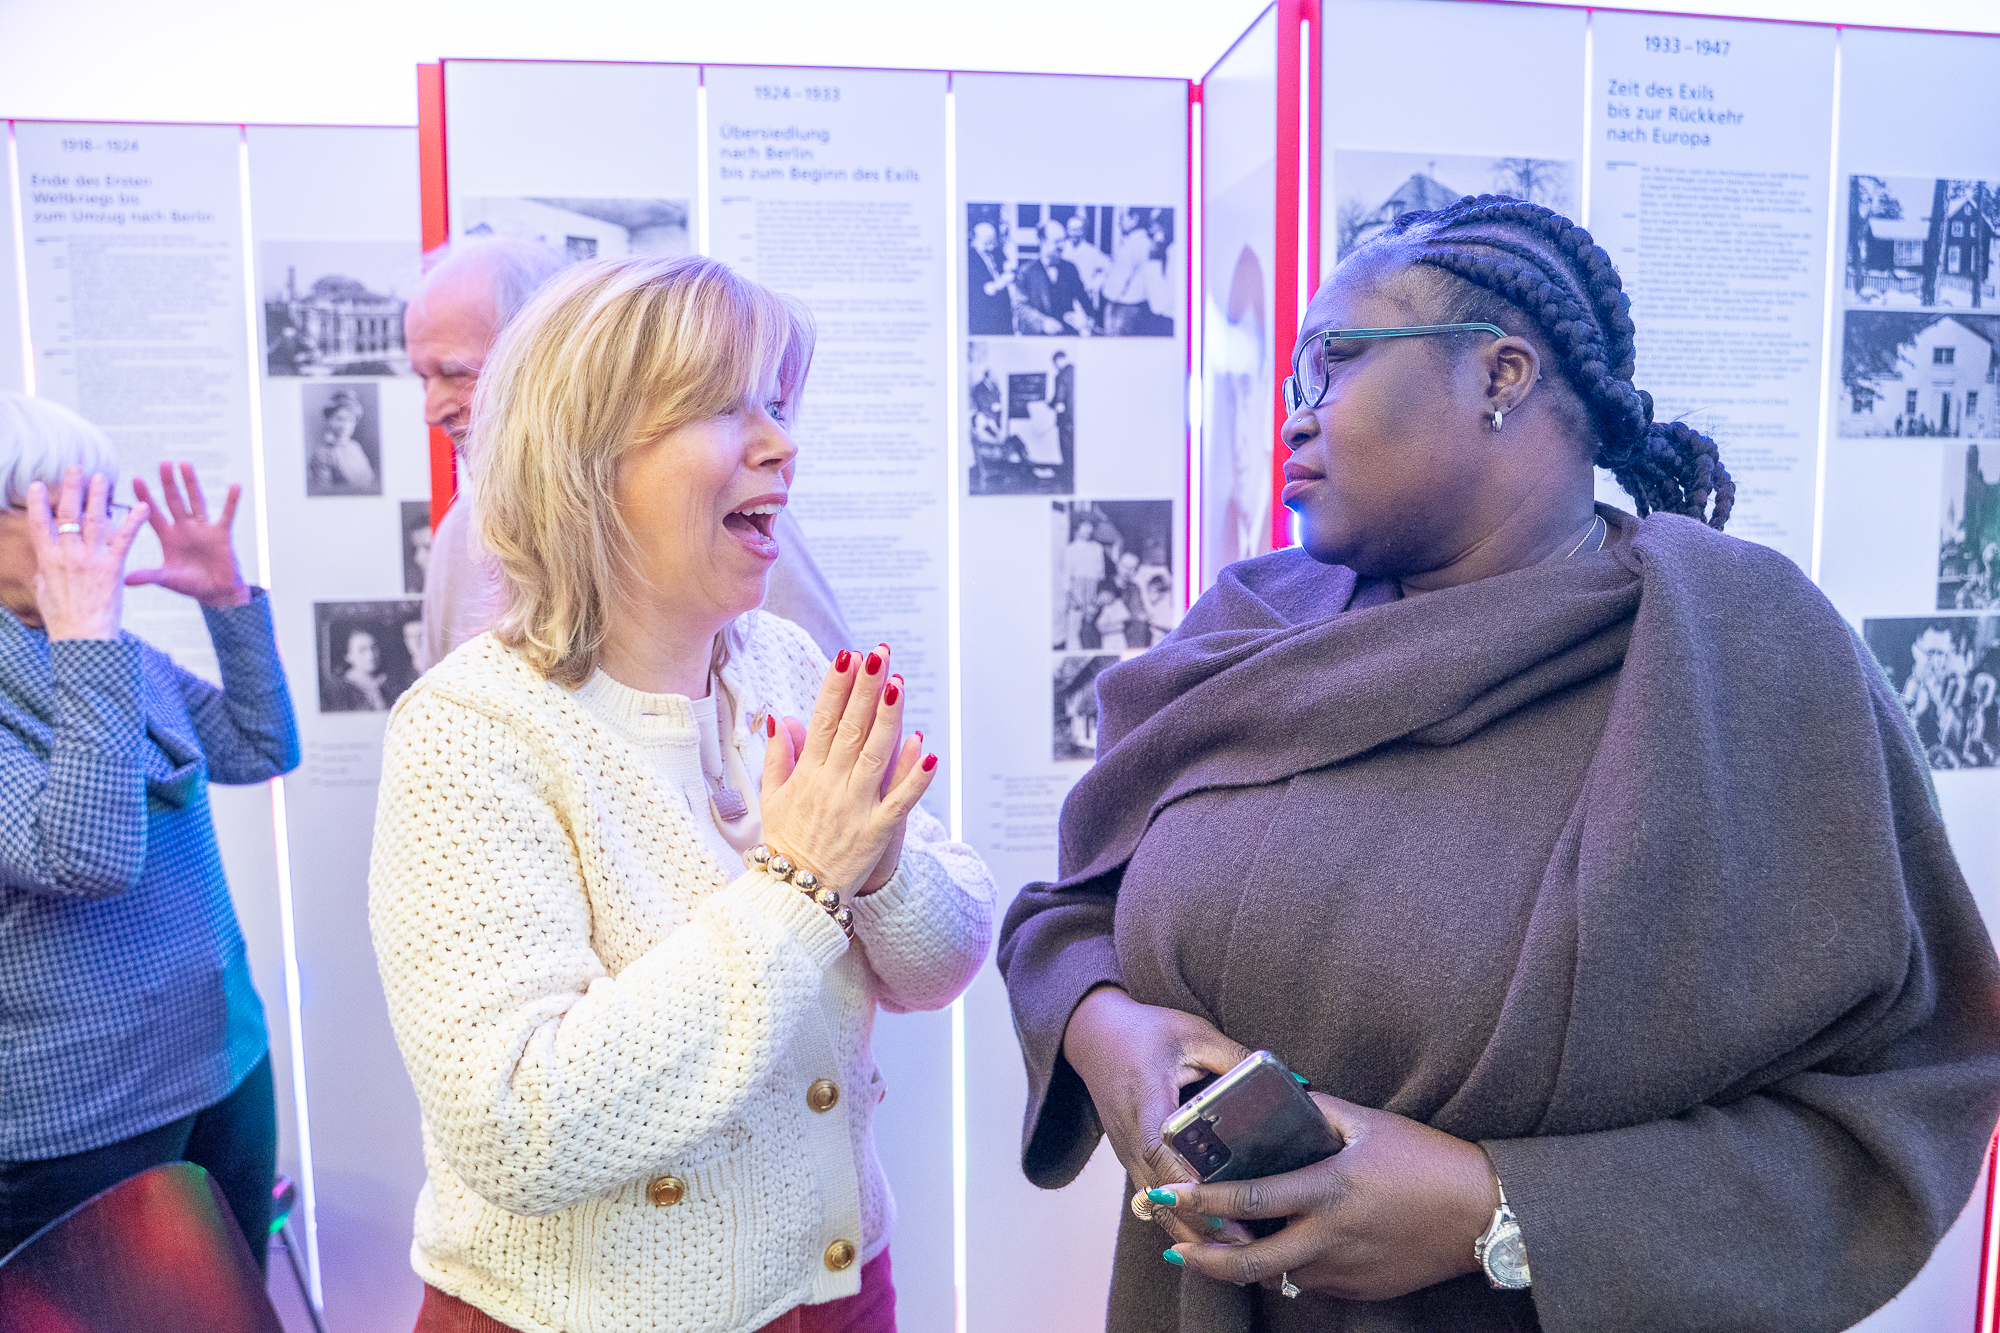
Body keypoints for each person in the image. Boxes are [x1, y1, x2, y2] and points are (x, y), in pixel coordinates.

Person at [998, 196, 2000, 1332]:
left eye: (1332, 363)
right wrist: (1108, 1031)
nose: (1297, 416)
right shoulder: (1253, 619)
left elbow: (1899, 1098)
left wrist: (1502, 1212)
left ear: (1500, 375)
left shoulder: (1733, 646)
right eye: (1291, 383)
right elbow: (1069, 912)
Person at [370, 255, 995, 1333]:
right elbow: (516, 1125)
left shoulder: (782, 664)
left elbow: (944, 961)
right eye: (724, 407)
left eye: (779, 406)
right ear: (584, 458)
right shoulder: (471, 727)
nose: (781, 443)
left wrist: (880, 861)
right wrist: (802, 881)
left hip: (839, 1288)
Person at [0, 394, 299, 1267]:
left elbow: (258, 744)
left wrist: (227, 600)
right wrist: (86, 637)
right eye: (66, 511)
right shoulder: (91, 647)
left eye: (105, 505)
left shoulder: (104, 651)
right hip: (84, 1114)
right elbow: (88, 857)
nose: (102, 537)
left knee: (236, 1308)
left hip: (223, 1061)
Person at [407, 236, 854, 672]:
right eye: (423, 378)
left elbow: (824, 691)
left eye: (455, 372)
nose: (432, 411)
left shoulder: (724, 519)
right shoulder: (460, 537)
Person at [1016, 220, 1093, 336]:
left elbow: (1084, 300)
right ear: (1043, 241)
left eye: (1063, 240)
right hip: (1038, 337)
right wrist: (1042, 323)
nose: (1062, 246)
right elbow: (1020, 306)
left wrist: (1086, 319)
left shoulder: (1070, 269)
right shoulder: (1026, 271)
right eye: (1057, 241)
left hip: (1067, 335)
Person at [307, 388, 377, 494]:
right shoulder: (322, 454)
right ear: (329, 420)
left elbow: (369, 480)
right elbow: (324, 492)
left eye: (350, 420)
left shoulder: (355, 447)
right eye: (340, 419)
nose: (345, 426)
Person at [967, 220, 1017, 336]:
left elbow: (1009, 267)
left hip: (1003, 314)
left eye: (993, 241)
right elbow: (983, 289)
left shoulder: (997, 252)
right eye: (988, 242)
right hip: (984, 317)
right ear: (976, 239)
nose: (992, 246)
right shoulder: (970, 258)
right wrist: (1001, 283)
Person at [1062, 213, 1111, 326]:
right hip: (1062, 298)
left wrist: (1095, 285)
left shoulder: (1091, 251)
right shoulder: (1062, 249)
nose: (1074, 233)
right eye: (1071, 229)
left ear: (1084, 231)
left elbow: (1109, 267)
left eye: (1078, 230)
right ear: (1067, 230)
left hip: (1083, 299)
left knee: (1084, 328)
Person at [1049, 350, 1075, 485]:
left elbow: (1059, 397)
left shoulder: (1062, 375)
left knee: (1066, 447)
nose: (1055, 366)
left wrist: (1053, 404)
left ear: (1059, 360)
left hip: (1065, 418)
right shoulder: (1076, 371)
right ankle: (1073, 475)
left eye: (1055, 363)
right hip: (1075, 417)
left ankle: (1067, 476)